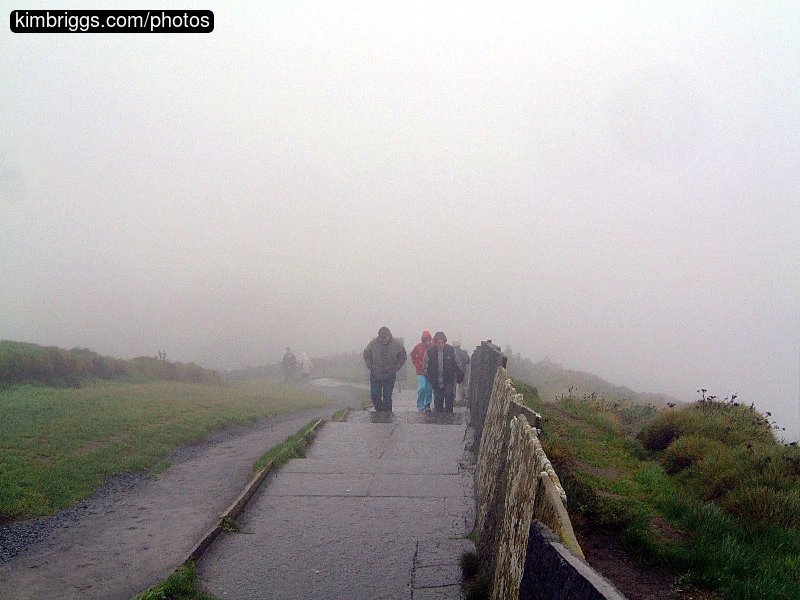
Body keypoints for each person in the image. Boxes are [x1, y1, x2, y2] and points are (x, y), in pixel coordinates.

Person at [363, 326, 407, 412]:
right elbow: (366, 354)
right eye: (381, 338)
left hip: (390, 374)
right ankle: (379, 411)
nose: (384, 340)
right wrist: (370, 366)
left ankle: (387, 417)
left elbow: (403, 357)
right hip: (376, 373)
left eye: (385, 338)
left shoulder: (397, 345)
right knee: (375, 395)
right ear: (379, 337)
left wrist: (396, 367)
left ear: (389, 335)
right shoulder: (373, 344)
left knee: (387, 397)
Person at [423, 331, 461, 413]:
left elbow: (457, 363)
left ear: (445, 342)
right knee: (438, 403)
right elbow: (425, 366)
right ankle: (439, 421)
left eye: (442, 343)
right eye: (438, 343)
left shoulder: (451, 350)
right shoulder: (429, 352)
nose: (440, 345)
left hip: (449, 380)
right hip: (436, 381)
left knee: (449, 398)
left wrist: (459, 375)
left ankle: (449, 419)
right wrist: (430, 378)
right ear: (435, 342)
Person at [410, 330, 434, 412]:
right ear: (422, 340)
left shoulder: (433, 346)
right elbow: (413, 355)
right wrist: (415, 364)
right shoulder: (418, 347)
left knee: (429, 389)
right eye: (425, 341)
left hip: (430, 371)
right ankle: (420, 405)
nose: (427, 342)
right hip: (420, 371)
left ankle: (427, 404)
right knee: (422, 388)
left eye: (428, 340)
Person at [452, 340, 471, 405]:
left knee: (457, 385)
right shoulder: (463, 352)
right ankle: (465, 399)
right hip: (463, 370)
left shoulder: (452, 352)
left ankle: (458, 399)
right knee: (464, 385)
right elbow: (468, 361)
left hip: (456, 371)